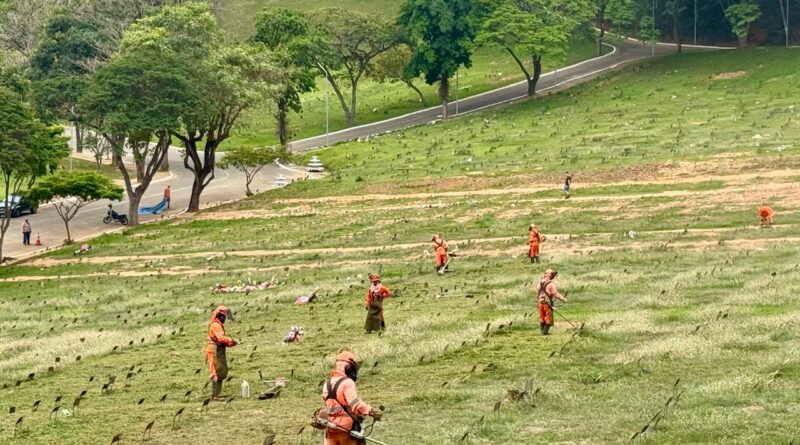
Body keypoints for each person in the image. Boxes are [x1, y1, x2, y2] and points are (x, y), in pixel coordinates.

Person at [321, 352, 383, 445]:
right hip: (346, 429)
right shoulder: (347, 382)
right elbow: (355, 404)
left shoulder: (327, 384)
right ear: (349, 368)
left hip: (330, 428)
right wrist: (371, 411)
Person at [206, 305, 239, 400]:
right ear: (220, 315)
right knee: (216, 371)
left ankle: (217, 394)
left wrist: (232, 342)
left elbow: (221, 340)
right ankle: (215, 395)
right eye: (224, 316)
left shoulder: (218, 324)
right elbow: (220, 338)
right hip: (214, 349)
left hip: (218, 348)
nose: (225, 318)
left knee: (221, 371)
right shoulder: (216, 325)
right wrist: (231, 339)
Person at [537, 269, 567, 335]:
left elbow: (537, 294)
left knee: (542, 317)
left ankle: (542, 331)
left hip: (540, 303)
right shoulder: (551, 284)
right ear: (551, 275)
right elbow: (556, 295)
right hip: (547, 304)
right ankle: (545, 332)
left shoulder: (539, 283)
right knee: (548, 317)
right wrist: (563, 299)